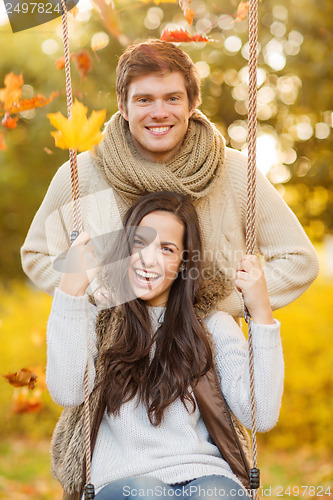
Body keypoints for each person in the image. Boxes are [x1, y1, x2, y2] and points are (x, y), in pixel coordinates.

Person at [21, 39, 319, 317]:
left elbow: (299, 260)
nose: (159, 112)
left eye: (172, 98)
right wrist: (100, 295)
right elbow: (38, 254)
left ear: (192, 105)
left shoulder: (236, 171)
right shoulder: (82, 174)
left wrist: (221, 305)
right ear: (123, 107)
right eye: (144, 100)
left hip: (212, 360)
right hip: (110, 360)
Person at [46, 191, 284, 499]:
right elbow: (67, 391)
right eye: (139, 243)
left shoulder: (210, 327)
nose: (149, 259)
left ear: (184, 262)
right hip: (123, 481)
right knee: (146, 494)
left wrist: (262, 314)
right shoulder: (98, 319)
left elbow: (260, 416)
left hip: (205, 474)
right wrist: (71, 291)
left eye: (167, 249)